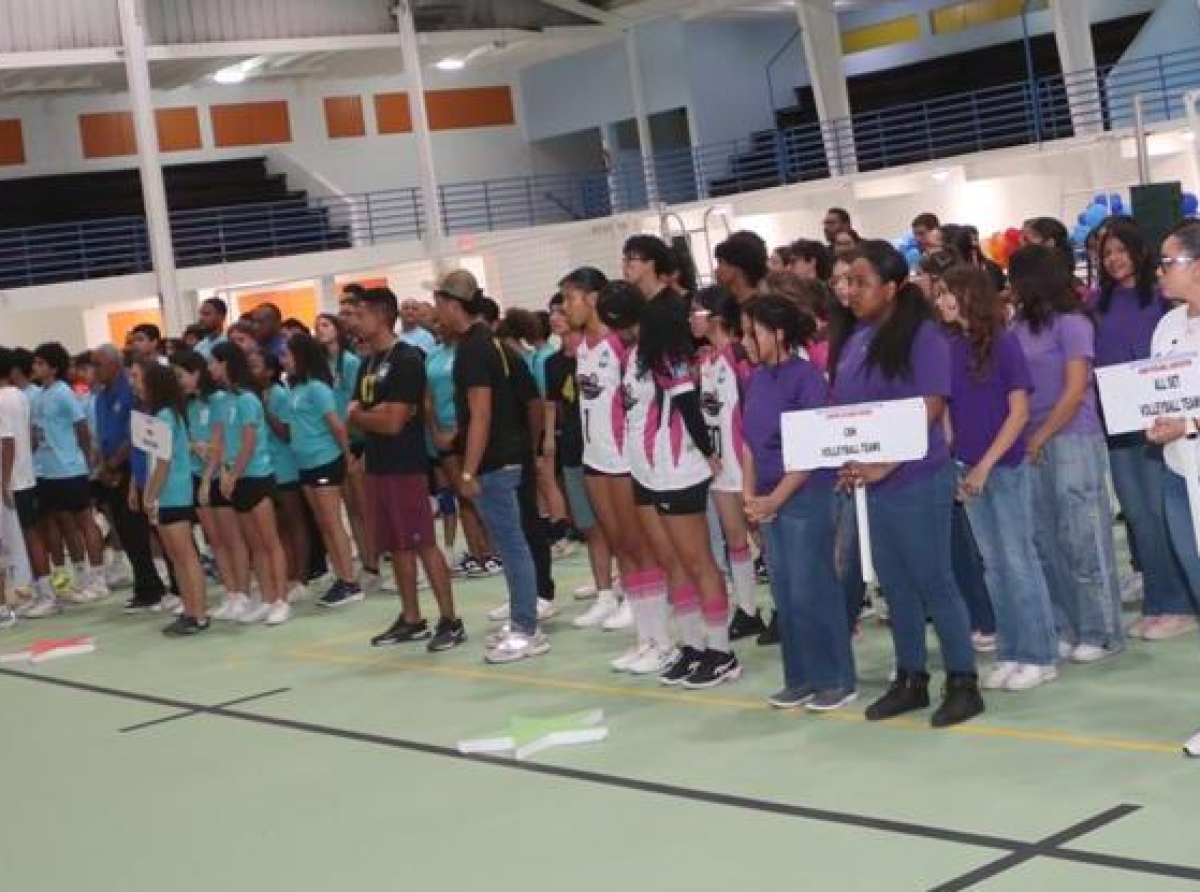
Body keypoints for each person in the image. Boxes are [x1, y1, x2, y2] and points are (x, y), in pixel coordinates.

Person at [830, 240, 982, 727]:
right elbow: (847, 412)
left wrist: (887, 463)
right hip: (872, 484)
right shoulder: (856, 340)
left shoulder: (925, 337)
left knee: (934, 580)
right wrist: (847, 457)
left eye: (861, 281)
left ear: (891, 287)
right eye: (847, 282)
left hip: (917, 477)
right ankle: (911, 678)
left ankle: (963, 681)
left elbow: (932, 405)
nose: (850, 290)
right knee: (895, 586)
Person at [614, 283, 738, 688]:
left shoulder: (672, 356)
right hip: (650, 472)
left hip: (680, 470)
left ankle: (721, 651)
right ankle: (692, 646)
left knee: (698, 560)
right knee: (674, 563)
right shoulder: (640, 357)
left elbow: (687, 406)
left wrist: (707, 451)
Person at [943, 266, 1059, 690]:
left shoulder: (1006, 344)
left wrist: (985, 464)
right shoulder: (952, 347)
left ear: (970, 296)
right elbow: (953, 415)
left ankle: (1040, 654)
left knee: (1018, 560)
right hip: (969, 470)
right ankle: (1011, 651)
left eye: (948, 293)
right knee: (993, 566)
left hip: (1005, 468)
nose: (942, 301)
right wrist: (956, 461)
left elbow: (1019, 414)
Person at [742, 294, 857, 710]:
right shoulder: (755, 378)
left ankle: (837, 678)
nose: (746, 340)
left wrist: (774, 499)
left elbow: (812, 449)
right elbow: (750, 443)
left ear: (779, 333)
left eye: (752, 332)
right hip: (769, 498)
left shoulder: (806, 378)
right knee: (786, 594)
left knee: (814, 588)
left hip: (804, 494)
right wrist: (749, 495)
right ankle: (801, 677)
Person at [1010, 245, 1123, 663]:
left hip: (1072, 435)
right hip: (1029, 438)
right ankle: (1066, 624)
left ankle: (1102, 629)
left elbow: (1076, 390)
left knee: (1083, 535)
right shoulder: (1017, 325)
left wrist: (1040, 436)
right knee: (1045, 539)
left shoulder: (1073, 322)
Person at [434, 271, 551, 663]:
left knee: (511, 544)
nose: (436, 313)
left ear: (453, 305)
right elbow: (524, 403)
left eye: (439, 305)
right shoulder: (495, 345)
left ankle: (525, 630)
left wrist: (467, 471)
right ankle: (523, 619)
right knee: (511, 542)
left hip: (493, 463)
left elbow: (481, 413)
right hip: (506, 455)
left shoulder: (473, 350)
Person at [1091, 220, 1195, 640]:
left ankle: (1176, 604)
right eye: (1106, 252)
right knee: (1142, 519)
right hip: (1135, 435)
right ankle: (1161, 600)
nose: (1114, 259)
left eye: (1120, 249)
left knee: (1159, 515)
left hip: (1171, 433)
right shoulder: (1101, 306)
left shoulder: (1161, 304)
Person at [349, 287, 464, 651]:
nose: (354, 320)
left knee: (422, 543)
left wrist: (364, 416)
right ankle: (412, 618)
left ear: (381, 315)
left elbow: (394, 421)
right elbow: (357, 417)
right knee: (396, 546)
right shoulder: (367, 362)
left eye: (360, 313)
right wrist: (370, 417)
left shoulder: (406, 359)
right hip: (378, 465)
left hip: (406, 465)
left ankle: (450, 620)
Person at [563, 267, 656, 640]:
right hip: (594, 456)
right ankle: (630, 605)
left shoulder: (619, 345)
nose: (565, 307)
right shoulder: (580, 347)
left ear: (593, 299)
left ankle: (647, 612)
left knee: (635, 542)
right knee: (615, 540)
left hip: (621, 458)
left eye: (570, 298)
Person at [1145, 220, 1200, 754]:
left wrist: (1191, 424)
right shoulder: (1166, 327)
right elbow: (1155, 390)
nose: (1160, 272)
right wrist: (1154, 420)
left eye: (1170, 262)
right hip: (1179, 472)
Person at [694, 286, 763, 640]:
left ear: (716, 318)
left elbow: (753, 411)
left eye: (697, 311)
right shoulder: (705, 362)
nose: (691, 318)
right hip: (720, 467)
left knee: (764, 538)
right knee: (735, 540)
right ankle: (749, 609)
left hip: (745, 464)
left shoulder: (739, 358)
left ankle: (785, 610)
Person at [205, 342, 289, 625]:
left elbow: (249, 444)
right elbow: (219, 442)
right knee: (254, 544)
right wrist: (217, 477)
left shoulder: (248, 400)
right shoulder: (221, 400)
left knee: (269, 542)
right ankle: (265, 598)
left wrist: (233, 475)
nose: (210, 369)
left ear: (226, 363)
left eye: (213, 363)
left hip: (256, 476)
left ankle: (281, 599)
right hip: (234, 479)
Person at [281, 333, 363, 607]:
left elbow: (337, 425)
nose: (283, 360)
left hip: (325, 459)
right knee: (323, 523)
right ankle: (340, 575)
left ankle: (350, 581)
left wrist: (347, 455)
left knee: (332, 521)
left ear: (301, 356)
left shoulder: (318, 388)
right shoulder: (295, 388)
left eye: (287, 355)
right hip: (304, 463)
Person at [544, 295, 614, 611]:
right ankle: (604, 593)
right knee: (588, 524)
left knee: (617, 526)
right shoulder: (553, 362)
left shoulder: (600, 351)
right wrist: (549, 440)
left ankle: (629, 585)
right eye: (552, 313)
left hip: (604, 450)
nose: (557, 317)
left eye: (562, 310)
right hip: (574, 447)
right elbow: (552, 404)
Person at [129, 361, 209, 636]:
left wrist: (149, 497)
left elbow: (162, 462)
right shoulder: (163, 414)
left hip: (172, 494)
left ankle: (198, 614)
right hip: (167, 494)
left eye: (141, 380)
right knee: (177, 558)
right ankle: (190, 610)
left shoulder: (164, 416)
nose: (136, 384)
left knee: (185, 557)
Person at [172, 349, 251, 625]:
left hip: (218, 476)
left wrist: (209, 473)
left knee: (233, 538)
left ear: (196, 373)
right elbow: (189, 441)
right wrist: (195, 447)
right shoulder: (186, 406)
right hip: (195, 474)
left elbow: (222, 441)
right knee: (215, 540)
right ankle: (230, 591)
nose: (178, 381)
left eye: (181, 375)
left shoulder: (218, 401)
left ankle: (243, 592)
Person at [92, 344, 172, 612]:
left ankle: (167, 587)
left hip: (131, 467)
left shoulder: (130, 394)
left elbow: (134, 434)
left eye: (98, 365)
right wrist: (104, 465)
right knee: (126, 532)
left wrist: (115, 463)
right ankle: (146, 586)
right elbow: (102, 434)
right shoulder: (101, 397)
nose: (94, 371)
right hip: (113, 470)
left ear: (115, 365)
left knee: (148, 530)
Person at [29, 342, 108, 607]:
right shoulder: (41, 394)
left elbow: (81, 427)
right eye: (35, 362)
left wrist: (84, 459)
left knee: (84, 521)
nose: (36, 367)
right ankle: (82, 577)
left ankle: (98, 579)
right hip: (47, 471)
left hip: (70, 469)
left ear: (53, 367)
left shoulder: (64, 393)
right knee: (66, 524)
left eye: (41, 363)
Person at [249, 349, 309, 605]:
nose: (250, 371)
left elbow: (285, 432)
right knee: (279, 526)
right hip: (268, 467)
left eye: (255, 366)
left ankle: (302, 577)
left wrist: (264, 409)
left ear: (270, 371)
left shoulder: (280, 395)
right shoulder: (251, 396)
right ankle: (288, 573)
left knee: (294, 521)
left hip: (286, 465)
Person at [0, 347, 36, 628]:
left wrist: (4, 480)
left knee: (15, 539)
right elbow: (29, 435)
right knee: (27, 535)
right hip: (26, 475)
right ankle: (31, 590)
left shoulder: (1, 399)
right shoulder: (20, 395)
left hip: (11, 479)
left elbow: (7, 442)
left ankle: (22, 592)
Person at [713, 232, 769, 305]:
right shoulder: (730, 304)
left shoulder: (759, 312)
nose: (716, 270)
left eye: (720, 262)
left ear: (737, 267)